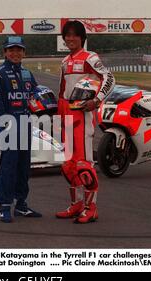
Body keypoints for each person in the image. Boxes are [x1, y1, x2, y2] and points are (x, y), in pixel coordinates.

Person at [55, 20, 116, 224]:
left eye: (75, 35)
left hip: (83, 118)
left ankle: (92, 208)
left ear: (82, 37)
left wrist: (96, 101)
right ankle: (77, 204)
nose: (70, 39)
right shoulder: (64, 62)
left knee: (84, 164)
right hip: (67, 118)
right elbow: (62, 92)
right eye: (67, 35)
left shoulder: (90, 58)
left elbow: (109, 79)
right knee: (69, 165)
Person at [0, 36, 42, 223]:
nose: (15, 53)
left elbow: (37, 95)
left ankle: (21, 205)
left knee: (24, 167)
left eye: (19, 50)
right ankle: (4, 206)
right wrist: (3, 128)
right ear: (4, 52)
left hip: (26, 126)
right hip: (8, 127)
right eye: (11, 50)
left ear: (24, 52)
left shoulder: (27, 74)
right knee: (8, 167)